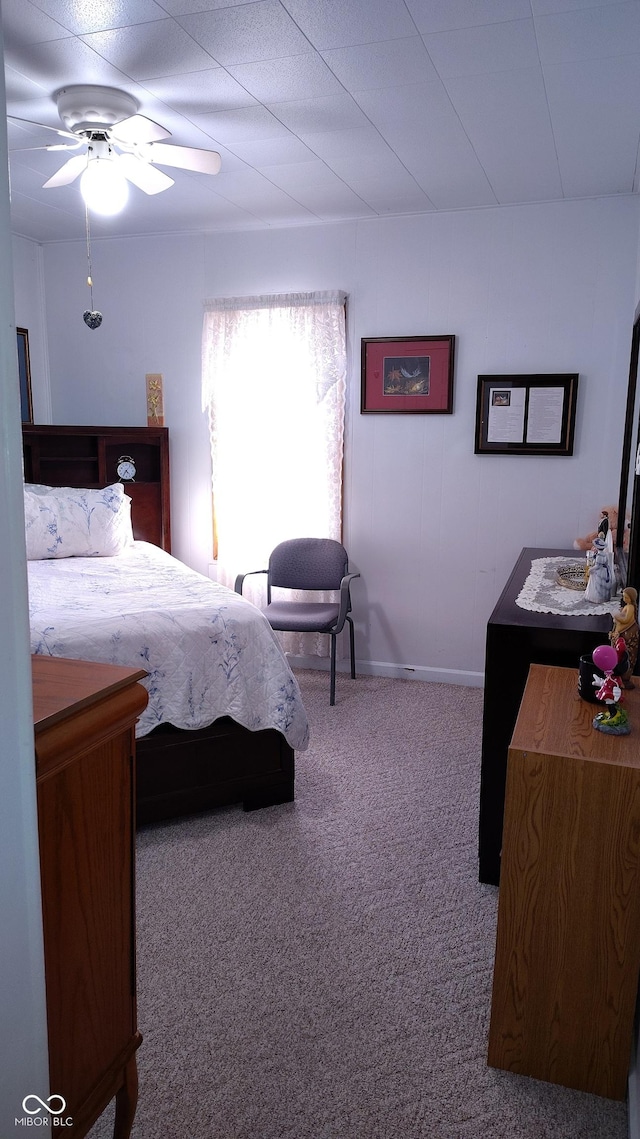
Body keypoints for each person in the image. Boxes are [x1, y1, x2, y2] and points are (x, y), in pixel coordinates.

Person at [609, 586, 639, 686]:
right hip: (620, 633)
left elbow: (626, 620)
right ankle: (615, 676)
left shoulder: (631, 607)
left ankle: (624, 678)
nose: (624, 599)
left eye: (626, 597)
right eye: (623, 597)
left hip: (625, 635)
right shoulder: (627, 606)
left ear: (631, 598)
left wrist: (616, 615)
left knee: (623, 657)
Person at [584, 537, 612, 604]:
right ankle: (603, 597)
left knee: (596, 584)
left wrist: (591, 569)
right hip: (605, 571)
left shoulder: (599, 556)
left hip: (600, 572)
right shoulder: (604, 554)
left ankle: (597, 598)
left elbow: (597, 566)